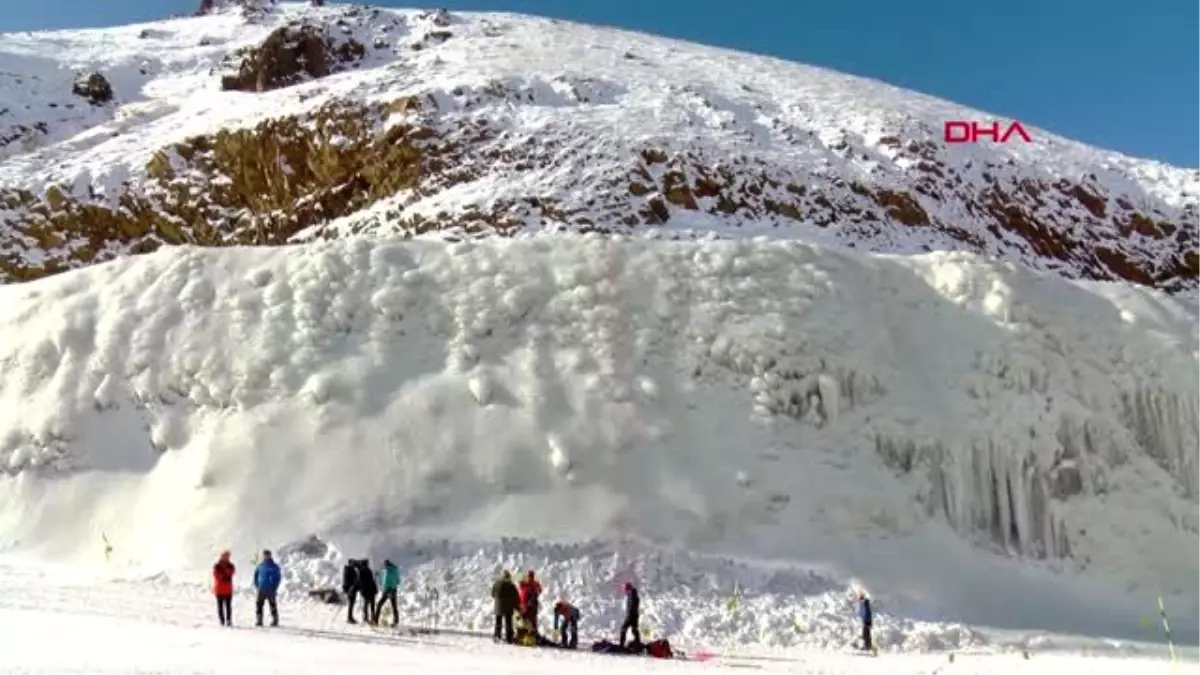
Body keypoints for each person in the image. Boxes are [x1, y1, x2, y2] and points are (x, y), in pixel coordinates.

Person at [253, 549, 281, 627]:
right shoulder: (260, 565)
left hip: (270, 589)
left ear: (270, 555)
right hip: (261, 588)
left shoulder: (274, 566)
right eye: (264, 555)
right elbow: (255, 575)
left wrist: (274, 587)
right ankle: (259, 620)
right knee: (259, 604)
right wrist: (257, 584)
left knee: (272, 604)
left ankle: (275, 620)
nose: (266, 556)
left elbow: (278, 578)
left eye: (267, 555)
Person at [491, 570, 519, 643]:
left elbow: (492, 594)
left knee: (498, 621)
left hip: (498, 605)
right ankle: (509, 638)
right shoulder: (511, 585)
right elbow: (516, 595)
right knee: (508, 622)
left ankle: (497, 636)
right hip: (508, 606)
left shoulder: (496, 584)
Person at [375, 559, 401, 627]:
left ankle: (375, 621)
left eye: (384, 565)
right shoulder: (395, 570)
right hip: (394, 590)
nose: (384, 566)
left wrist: (385, 588)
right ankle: (396, 621)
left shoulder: (386, 571)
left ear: (386, 564)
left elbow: (384, 582)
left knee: (379, 604)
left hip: (387, 590)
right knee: (394, 606)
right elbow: (398, 581)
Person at [212, 550, 235, 626]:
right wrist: (225, 575)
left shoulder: (230, 565)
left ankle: (228, 620)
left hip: (227, 589)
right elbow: (217, 576)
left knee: (228, 606)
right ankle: (222, 620)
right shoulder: (217, 566)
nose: (226, 558)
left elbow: (230, 573)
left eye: (227, 556)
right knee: (220, 606)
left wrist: (224, 575)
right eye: (225, 556)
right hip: (220, 590)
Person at [357, 559, 379, 625]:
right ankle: (373, 618)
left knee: (366, 604)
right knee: (372, 605)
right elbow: (371, 580)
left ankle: (366, 618)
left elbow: (360, 581)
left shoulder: (361, 571)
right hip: (372, 589)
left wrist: (360, 589)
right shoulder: (369, 570)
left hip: (366, 590)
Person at [619, 582, 641, 647]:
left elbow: (632, 606)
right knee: (634, 629)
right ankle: (638, 642)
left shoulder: (631, 594)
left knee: (623, 628)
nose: (625, 592)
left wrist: (629, 615)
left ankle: (621, 645)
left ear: (628, 589)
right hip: (635, 615)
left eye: (625, 590)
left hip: (631, 615)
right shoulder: (633, 594)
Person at [342, 559, 362, 624]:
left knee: (351, 604)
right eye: (353, 563)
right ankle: (349, 618)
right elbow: (354, 579)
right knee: (351, 604)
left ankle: (350, 617)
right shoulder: (349, 570)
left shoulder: (348, 569)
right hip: (351, 589)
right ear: (350, 563)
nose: (354, 564)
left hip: (350, 589)